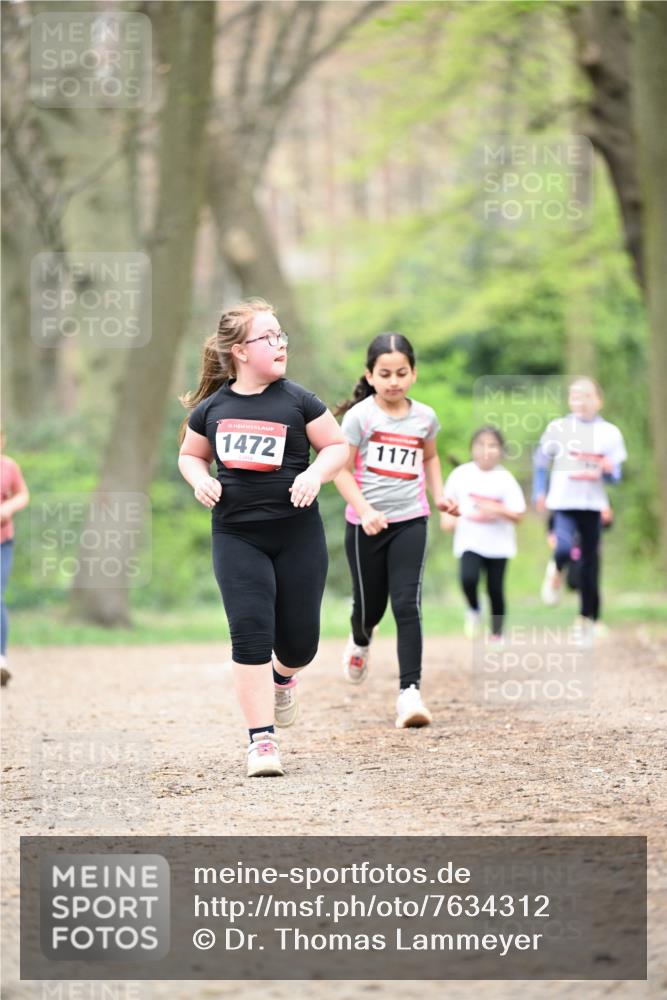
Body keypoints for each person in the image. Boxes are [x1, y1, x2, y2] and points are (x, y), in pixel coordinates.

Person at [178, 299, 348, 777]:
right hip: (236, 536)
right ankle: (261, 741)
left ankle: (283, 676)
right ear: (238, 351)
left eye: (282, 336)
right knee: (250, 630)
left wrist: (315, 476)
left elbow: (337, 447)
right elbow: (190, 455)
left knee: (299, 645)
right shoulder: (213, 408)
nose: (280, 345)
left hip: (297, 535)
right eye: (268, 338)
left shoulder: (299, 400)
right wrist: (200, 479)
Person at [333, 333, 457, 728]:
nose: (393, 381)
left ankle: (410, 694)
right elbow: (341, 469)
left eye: (401, 373)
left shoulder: (425, 417)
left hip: (410, 520)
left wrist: (439, 496)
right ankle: (361, 640)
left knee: (407, 604)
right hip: (364, 525)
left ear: (413, 374)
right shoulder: (360, 418)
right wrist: (365, 510)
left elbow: (431, 458)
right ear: (369, 376)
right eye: (384, 374)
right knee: (369, 608)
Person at [533, 376, 627, 645]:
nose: (581, 402)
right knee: (562, 548)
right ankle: (556, 569)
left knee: (589, 565)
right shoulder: (558, 427)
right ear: (569, 400)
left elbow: (616, 475)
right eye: (576, 396)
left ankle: (585, 620)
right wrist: (538, 490)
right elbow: (541, 460)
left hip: (592, 505)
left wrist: (608, 471)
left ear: (599, 400)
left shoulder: (610, 432)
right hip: (562, 502)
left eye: (587, 396)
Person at [440, 426, 525, 642]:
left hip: (499, 544)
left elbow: (518, 514)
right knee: (468, 579)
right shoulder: (461, 475)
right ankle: (474, 609)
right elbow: (447, 508)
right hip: (470, 541)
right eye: (481, 445)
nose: (487, 450)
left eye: (493, 445)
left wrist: (497, 509)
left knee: (495, 589)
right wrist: (449, 519)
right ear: (472, 449)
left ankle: (497, 633)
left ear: (501, 450)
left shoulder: (505, 479)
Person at [0, 428, 30, 687]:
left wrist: (8, 507)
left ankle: (1, 659)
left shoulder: (8, 467)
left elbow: (22, 494)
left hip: (2, 541)